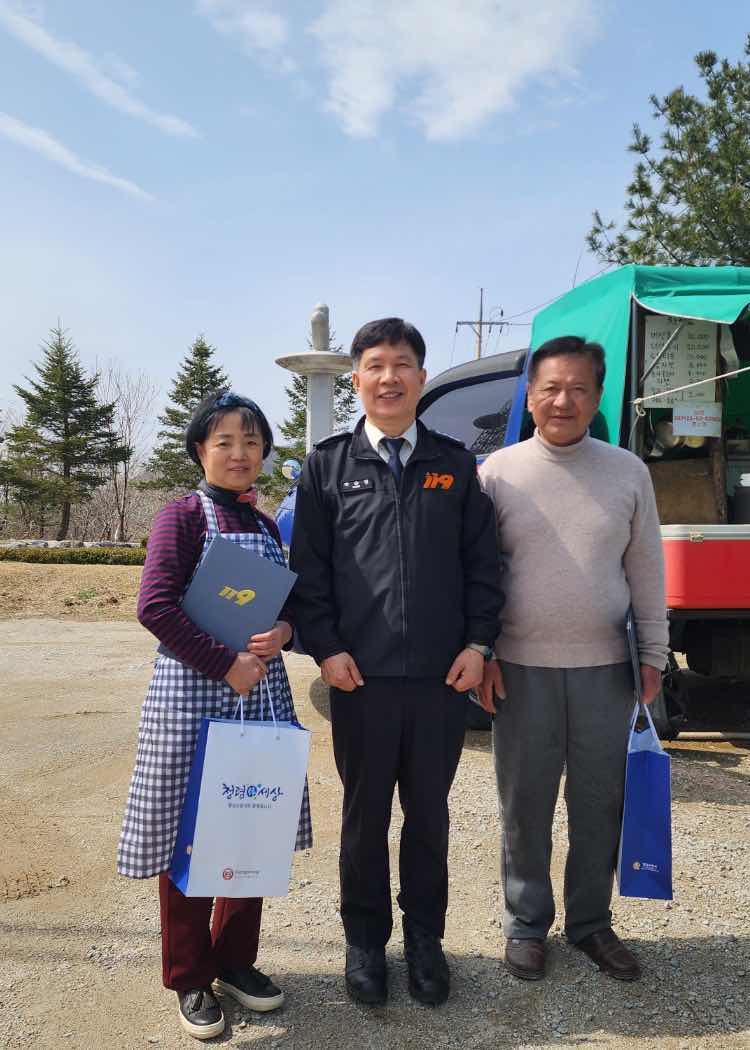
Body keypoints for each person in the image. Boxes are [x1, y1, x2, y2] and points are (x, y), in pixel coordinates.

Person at [289, 317, 503, 1007]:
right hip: (361, 681)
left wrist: (479, 644)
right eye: (376, 366)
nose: (389, 377)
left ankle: (425, 941)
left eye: (403, 364)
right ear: (355, 379)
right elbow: (309, 573)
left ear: (421, 376)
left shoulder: (455, 464)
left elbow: (483, 567)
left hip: (442, 679)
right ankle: (364, 943)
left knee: (429, 817)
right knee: (364, 820)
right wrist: (326, 648)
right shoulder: (327, 466)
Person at [117, 391, 313, 1042]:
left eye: (252, 442)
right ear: (200, 449)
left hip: (259, 695)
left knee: (249, 825)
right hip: (194, 697)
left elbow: (285, 606)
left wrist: (284, 631)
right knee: (191, 835)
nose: (239, 453)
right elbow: (155, 607)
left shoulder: (266, 525)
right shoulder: (182, 517)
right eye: (225, 441)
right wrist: (224, 663)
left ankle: (234, 961)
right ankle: (190, 975)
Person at [476, 335, 668, 984]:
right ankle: (526, 923)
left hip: (607, 669)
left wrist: (654, 652)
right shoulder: (497, 474)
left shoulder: (628, 473)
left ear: (597, 397)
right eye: (551, 388)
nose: (564, 401)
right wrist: (484, 651)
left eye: (579, 389)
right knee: (524, 804)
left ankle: (590, 922)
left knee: (599, 803)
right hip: (519, 668)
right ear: (530, 396)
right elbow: (478, 576)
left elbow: (646, 570)